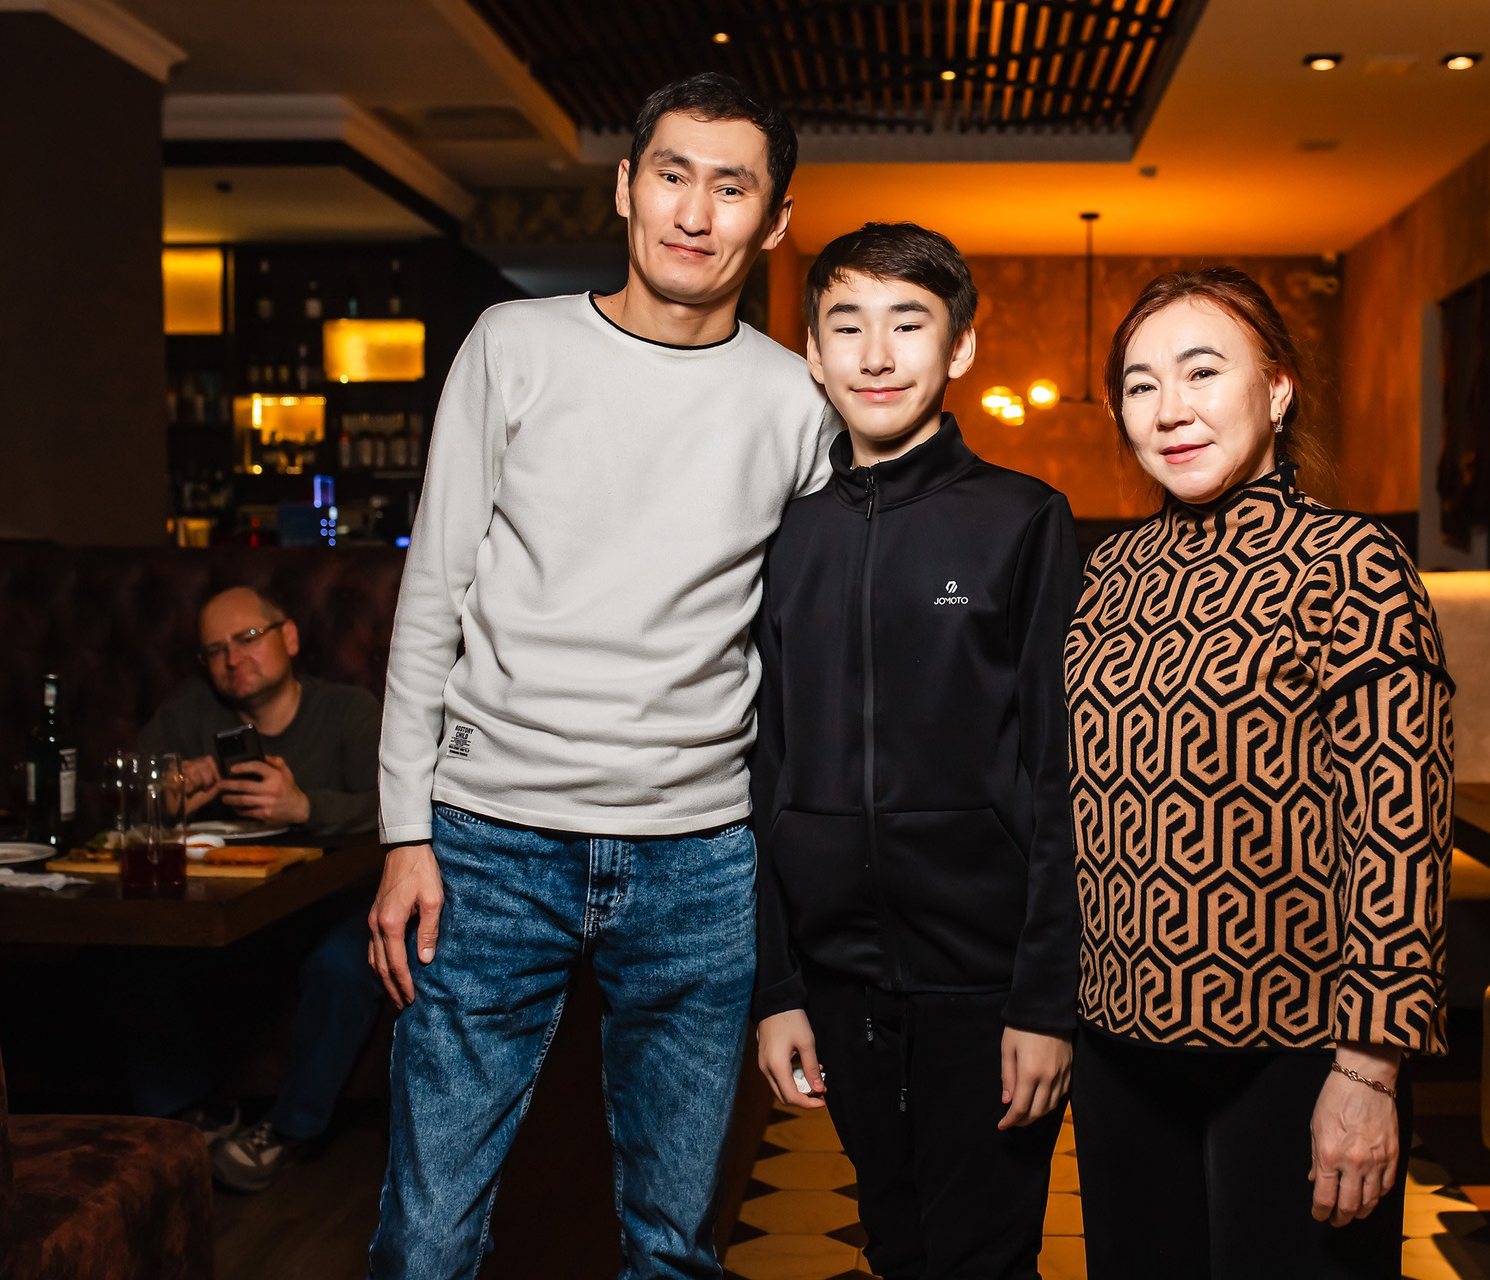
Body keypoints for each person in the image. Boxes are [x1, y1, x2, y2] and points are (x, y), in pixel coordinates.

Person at [366, 73, 836, 1280]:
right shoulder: (513, 344)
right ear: (627, 187)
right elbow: (434, 595)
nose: (695, 211)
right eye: (672, 175)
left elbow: (811, 645)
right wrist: (405, 830)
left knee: (675, 1245)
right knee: (426, 1237)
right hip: (489, 842)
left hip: (700, 855)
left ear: (774, 220)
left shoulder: (798, 399)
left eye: (731, 187)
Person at [1063, 268, 1455, 1279]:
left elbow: (1400, 830)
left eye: (1203, 371)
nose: (1170, 408)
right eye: (1141, 385)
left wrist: (1369, 1071)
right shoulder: (1105, 575)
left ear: (1277, 389)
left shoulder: (1353, 564)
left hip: (1298, 1055)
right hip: (1117, 1051)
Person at [751, 222, 1080, 1279]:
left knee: (982, 1257)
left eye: (908, 324)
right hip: (837, 982)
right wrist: (778, 988)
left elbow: (1059, 775)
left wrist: (1045, 1000)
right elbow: (763, 768)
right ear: (812, 352)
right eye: (847, 326)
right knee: (895, 1245)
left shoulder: (1023, 520)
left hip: (985, 984)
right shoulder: (784, 536)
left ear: (961, 347)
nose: (877, 355)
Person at [126, 582, 383, 1192]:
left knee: (346, 962)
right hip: (226, 911)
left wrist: (304, 807)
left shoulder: (347, 711)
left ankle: (290, 1130)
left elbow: (396, 807)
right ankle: (190, 1111)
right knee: (124, 952)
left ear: (288, 637)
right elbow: (132, 798)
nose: (232, 659)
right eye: (214, 650)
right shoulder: (190, 714)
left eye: (246, 638)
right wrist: (167, 800)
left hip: (331, 905)